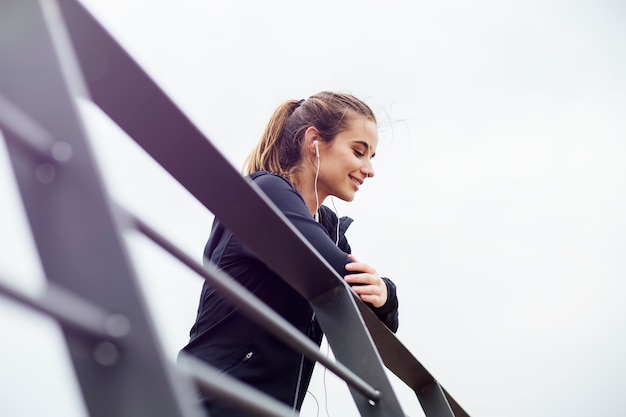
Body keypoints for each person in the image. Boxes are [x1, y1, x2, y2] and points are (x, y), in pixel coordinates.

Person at [180, 91, 399, 416]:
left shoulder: (331, 233)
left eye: (372, 157)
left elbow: (373, 323)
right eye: (358, 151)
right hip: (211, 403)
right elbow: (336, 272)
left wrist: (386, 295)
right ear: (314, 141)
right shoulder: (265, 192)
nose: (369, 170)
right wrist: (381, 289)